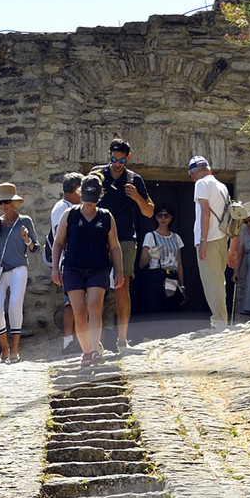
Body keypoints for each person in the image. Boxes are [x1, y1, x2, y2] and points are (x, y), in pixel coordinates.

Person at [51, 174, 121, 371]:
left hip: (98, 268)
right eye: (86, 198)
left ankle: (96, 351)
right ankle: (87, 352)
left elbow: (115, 246)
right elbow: (58, 242)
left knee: (94, 308)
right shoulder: (70, 215)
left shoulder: (106, 216)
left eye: (93, 199)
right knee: (79, 312)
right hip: (73, 268)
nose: (89, 203)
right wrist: (55, 268)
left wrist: (119, 271)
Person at [95, 138, 154, 353]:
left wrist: (137, 197)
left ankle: (122, 342)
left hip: (125, 238)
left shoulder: (133, 179)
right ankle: (96, 344)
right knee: (97, 288)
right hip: (99, 238)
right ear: (109, 155)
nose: (117, 164)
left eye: (121, 160)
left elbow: (149, 211)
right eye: (113, 159)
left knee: (122, 288)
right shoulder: (98, 175)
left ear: (128, 158)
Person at [0, 182, 39, 363]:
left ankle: (14, 350)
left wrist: (27, 239)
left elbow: (34, 248)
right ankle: (5, 348)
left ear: (14, 203)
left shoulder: (25, 221)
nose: (4, 206)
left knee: (15, 304)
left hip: (18, 267)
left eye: (7, 202)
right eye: (0, 203)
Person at [188, 154, 234, 332]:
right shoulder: (222, 186)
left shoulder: (201, 184)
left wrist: (203, 240)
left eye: (191, 174)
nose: (192, 178)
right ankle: (222, 320)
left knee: (211, 282)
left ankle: (219, 323)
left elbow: (205, 212)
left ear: (193, 174)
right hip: (222, 238)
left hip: (210, 239)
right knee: (218, 281)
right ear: (209, 169)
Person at [48, 172, 85, 358]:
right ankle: (68, 342)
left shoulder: (72, 207)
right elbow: (60, 235)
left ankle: (78, 340)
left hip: (77, 260)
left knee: (77, 303)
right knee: (70, 303)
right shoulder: (62, 208)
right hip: (68, 261)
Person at [135, 207, 186, 323]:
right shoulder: (150, 236)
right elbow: (142, 264)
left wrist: (182, 286)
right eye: (160, 215)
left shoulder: (176, 237)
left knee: (171, 313)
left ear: (171, 218)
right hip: (156, 276)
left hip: (172, 278)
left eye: (166, 215)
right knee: (154, 312)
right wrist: (151, 254)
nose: (163, 218)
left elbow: (179, 264)